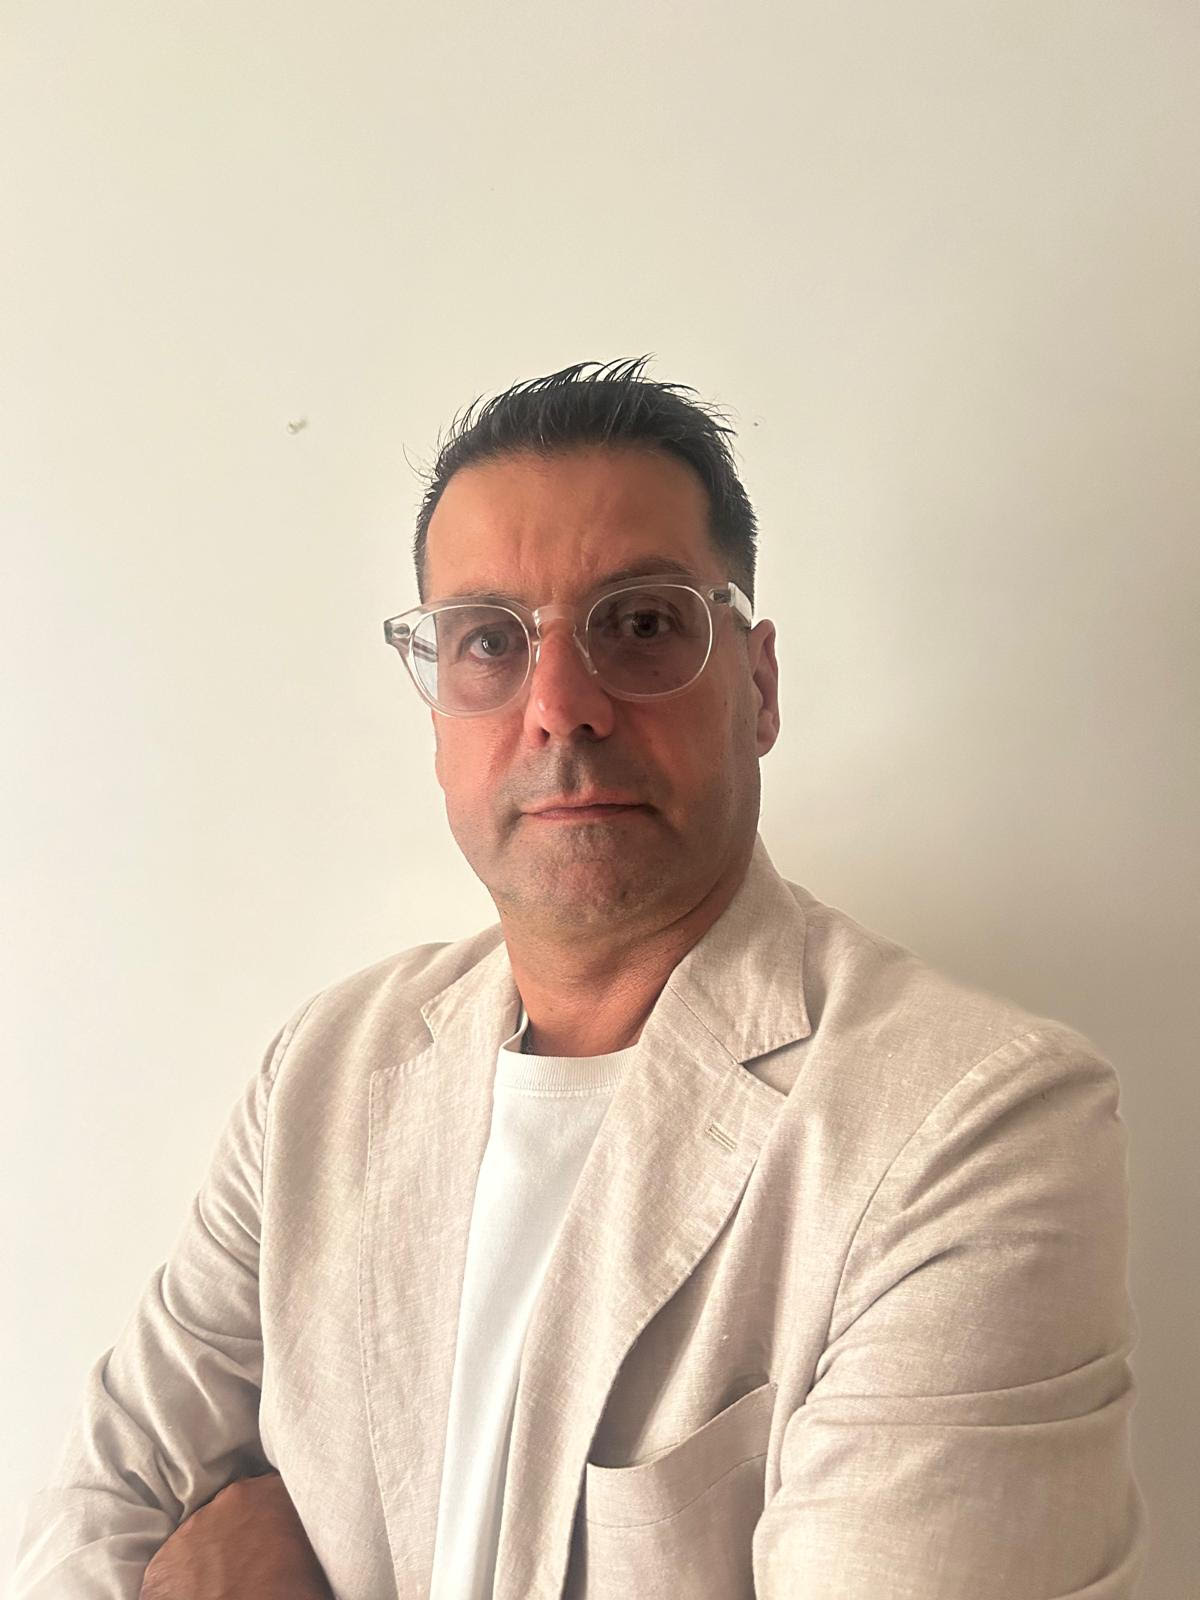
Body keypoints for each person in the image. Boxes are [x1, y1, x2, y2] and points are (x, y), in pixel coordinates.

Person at [10, 359, 1145, 1600]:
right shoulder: (321, 1075)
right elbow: (102, 1496)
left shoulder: (972, 1123)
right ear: (438, 706)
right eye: (490, 641)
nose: (561, 706)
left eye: (642, 624)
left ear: (758, 687)